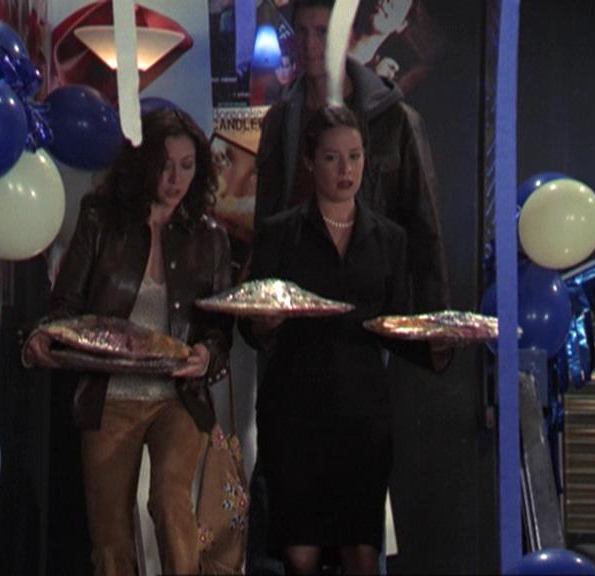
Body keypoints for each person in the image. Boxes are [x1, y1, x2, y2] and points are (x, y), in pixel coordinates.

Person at [24, 108, 233, 575]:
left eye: (186, 166)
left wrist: (207, 355)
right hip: (110, 396)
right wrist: (45, 335)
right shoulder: (101, 220)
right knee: (110, 538)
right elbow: (66, 305)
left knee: (170, 499)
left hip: (177, 396)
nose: (175, 179)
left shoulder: (211, 239)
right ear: (143, 164)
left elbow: (220, 333)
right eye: (164, 165)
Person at [241, 105, 445, 575]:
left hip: (361, 415)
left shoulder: (389, 239)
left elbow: (395, 326)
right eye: (332, 158)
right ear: (310, 162)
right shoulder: (279, 233)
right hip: (293, 411)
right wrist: (263, 324)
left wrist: (439, 344)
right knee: (300, 555)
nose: (345, 169)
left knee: (361, 552)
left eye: (354, 156)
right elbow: (251, 323)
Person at [255, 0, 448, 313]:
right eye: (301, 32)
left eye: (322, 32)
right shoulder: (280, 120)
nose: (310, 44)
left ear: (344, 35)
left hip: (370, 298)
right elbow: (266, 220)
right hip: (295, 302)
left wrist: (433, 322)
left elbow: (426, 230)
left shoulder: (395, 120)